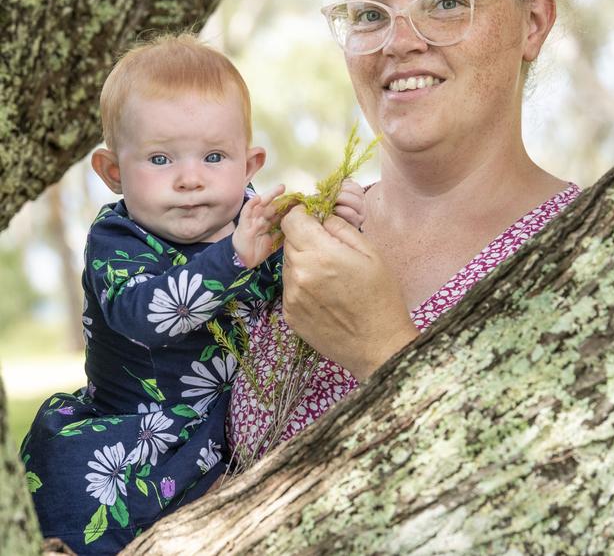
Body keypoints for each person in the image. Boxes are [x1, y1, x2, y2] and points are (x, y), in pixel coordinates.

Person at [228, 0, 582, 457]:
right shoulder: (309, 230)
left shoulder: (587, 245)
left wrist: (382, 348)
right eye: (369, 12)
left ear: (533, 21)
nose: (399, 42)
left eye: (446, 2)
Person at [21, 33, 364, 555]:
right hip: (131, 433)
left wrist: (332, 221)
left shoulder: (253, 225)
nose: (189, 179)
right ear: (113, 173)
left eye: (213, 156)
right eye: (160, 160)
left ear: (249, 166)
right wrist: (234, 257)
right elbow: (142, 315)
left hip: (223, 442)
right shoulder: (118, 238)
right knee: (73, 483)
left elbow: (301, 288)